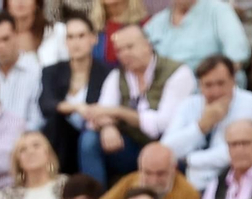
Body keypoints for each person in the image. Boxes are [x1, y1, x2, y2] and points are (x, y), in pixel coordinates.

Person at [84, 25, 196, 185]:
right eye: (119, 50)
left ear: (147, 45)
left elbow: (162, 124)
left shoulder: (177, 72)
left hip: (167, 149)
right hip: (132, 148)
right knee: (89, 140)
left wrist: (118, 112)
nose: (124, 54)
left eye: (130, 47)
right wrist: (108, 127)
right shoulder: (117, 75)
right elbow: (99, 112)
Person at [161, 54, 252, 194]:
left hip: (229, 181)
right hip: (188, 182)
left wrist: (188, 159)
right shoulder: (189, 104)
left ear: (233, 81)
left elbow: (234, 153)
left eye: (221, 83)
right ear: (200, 85)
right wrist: (201, 127)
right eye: (208, 85)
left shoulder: (249, 103)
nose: (215, 92)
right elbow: (166, 149)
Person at [40, 15, 111, 177]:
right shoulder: (52, 71)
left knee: (88, 140)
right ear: (65, 42)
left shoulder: (106, 73)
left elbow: (107, 108)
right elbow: (46, 104)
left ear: (94, 38)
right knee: (53, 122)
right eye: (70, 37)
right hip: (62, 137)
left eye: (81, 36)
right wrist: (76, 107)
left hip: (93, 134)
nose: (75, 42)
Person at [98, 142, 200, 199]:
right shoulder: (129, 181)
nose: (153, 180)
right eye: (147, 173)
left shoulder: (189, 195)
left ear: (174, 169)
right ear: (139, 168)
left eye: (160, 174)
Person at [143, 0, 249, 71]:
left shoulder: (218, 10)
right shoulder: (157, 22)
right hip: (165, 91)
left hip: (210, 89)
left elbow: (237, 56)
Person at [0, 13, 42, 131]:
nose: (1, 46)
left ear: (16, 35)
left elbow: (37, 120)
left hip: (24, 141)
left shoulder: (36, 70)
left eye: (5, 39)